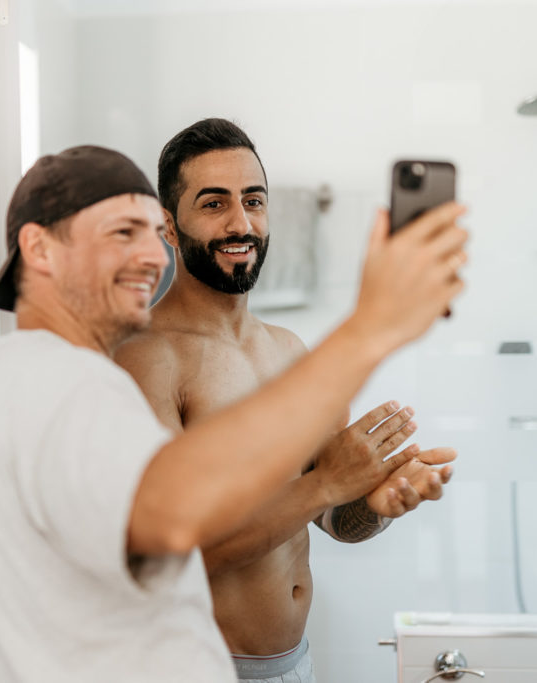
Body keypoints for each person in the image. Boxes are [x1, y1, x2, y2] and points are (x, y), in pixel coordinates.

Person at [0, 144, 467, 682]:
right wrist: (370, 329)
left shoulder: (3, 398)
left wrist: (368, 498)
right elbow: (178, 530)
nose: (154, 255)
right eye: (121, 233)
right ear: (39, 249)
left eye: (149, 233)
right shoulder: (71, 389)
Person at [114, 119, 458, 683]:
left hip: (297, 664)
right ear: (169, 228)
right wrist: (326, 481)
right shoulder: (147, 359)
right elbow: (168, 562)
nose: (241, 223)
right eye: (214, 204)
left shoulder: (289, 351)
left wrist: (379, 503)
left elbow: (331, 519)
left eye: (253, 200)